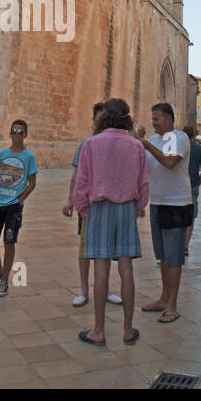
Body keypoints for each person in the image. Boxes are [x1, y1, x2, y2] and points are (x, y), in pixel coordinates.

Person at [63, 98, 148, 346]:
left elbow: (82, 181)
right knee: (126, 268)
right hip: (126, 208)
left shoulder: (91, 144)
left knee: (101, 269)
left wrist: (83, 209)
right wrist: (138, 208)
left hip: (99, 208)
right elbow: (144, 182)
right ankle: (128, 330)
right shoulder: (136, 146)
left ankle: (98, 330)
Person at [138, 103, 191, 324]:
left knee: (174, 256)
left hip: (177, 204)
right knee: (162, 256)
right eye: (152, 118)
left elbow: (169, 162)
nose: (153, 122)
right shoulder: (153, 139)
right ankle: (163, 298)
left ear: (169, 119)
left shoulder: (180, 138)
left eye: (157, 119)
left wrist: (147, 145)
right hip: (157, 203)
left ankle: (172, 305)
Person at [69, 103, 123, 308]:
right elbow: (77, 175)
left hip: (108, 204)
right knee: (85, 250)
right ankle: (84, 291)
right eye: (98, 119)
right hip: (88, 205)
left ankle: (105, 289)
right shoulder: (85, 144)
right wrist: (71, 200)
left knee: (105, 249)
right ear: (93, 120)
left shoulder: (114, 144)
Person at [0, 120, 38, 298]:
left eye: (20, 132)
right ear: (10, 134)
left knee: (9, 242)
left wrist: (19, 200)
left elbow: (32, 182)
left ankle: (5, 279)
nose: (17, 134)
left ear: (25, 135)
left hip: (13, 206)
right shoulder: (1, 155)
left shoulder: (29, 157)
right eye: (14, 131)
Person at [184, 126, 201, 256]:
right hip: (193, 185)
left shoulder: (180, 148)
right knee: (190, 217)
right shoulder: (200, 149)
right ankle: (185, 246)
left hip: (179, 186)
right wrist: (198, 182)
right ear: (194, 135)